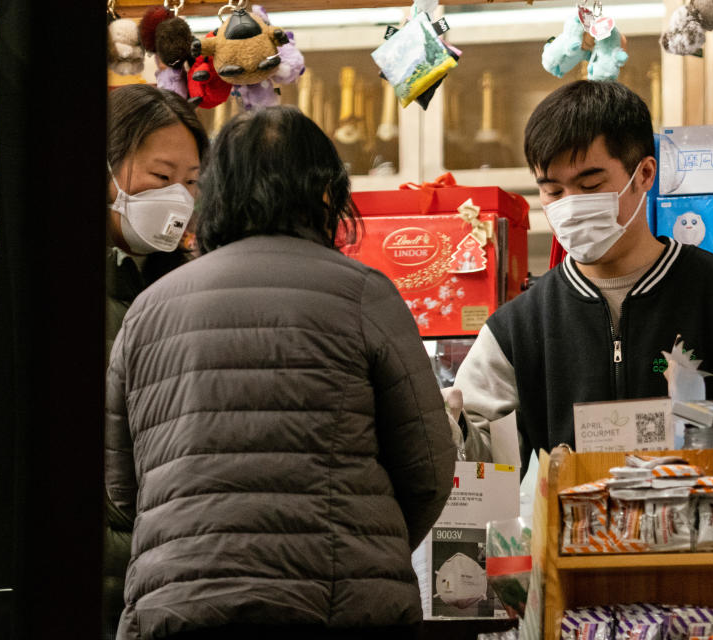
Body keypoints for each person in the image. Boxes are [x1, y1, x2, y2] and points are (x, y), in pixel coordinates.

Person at [104, 105, 456, 640]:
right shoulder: (364, 293)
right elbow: (429, 466)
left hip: (179, 610)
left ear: (216, 194)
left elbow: (121, 485)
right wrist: (362, 540)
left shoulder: (147, 310)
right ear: (324, 193)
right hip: (339, 606)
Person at [0, 83, 209, 638]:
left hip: (187, 597)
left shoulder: (202, 293)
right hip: (78, 601)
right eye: (161, 179)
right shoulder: (36, 285)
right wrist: (15, 337)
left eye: (191, 183)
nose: (179, 201)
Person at [453, 80, 713, 465]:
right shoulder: (517, 329)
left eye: (590, 184)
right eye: (553, 192)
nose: (571, 206)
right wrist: (449, 429)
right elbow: (486, 461)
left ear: (645, 174)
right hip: (575, 523)